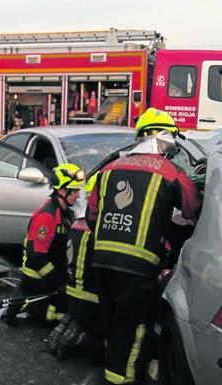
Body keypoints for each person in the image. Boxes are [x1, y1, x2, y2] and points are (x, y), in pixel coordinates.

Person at [86, 108, 202, 385]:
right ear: (163, 138)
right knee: (136, 328)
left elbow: (92, 216)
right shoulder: (171, 172)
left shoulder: (110, 169)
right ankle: (121, 380)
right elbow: (193, 209)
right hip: (138, 268)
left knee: (114, 322)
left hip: (101, 262)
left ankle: (111, 370)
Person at [5, 163, 86, 325]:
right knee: (62, 316)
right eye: (75, 190)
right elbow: (36, 255)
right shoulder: (47, 216)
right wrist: (58, 282)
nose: (78, 195)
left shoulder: (66, 213)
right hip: (38, 278)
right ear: (62, 190)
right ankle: (36, 311)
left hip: (55, 274)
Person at [47, 176, 104, 363]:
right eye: (74, 190)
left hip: (71, 292)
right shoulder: (99, 229)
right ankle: (84, 339)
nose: (77, 195)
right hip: (91, 299)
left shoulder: (76, 222)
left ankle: (71, 325)